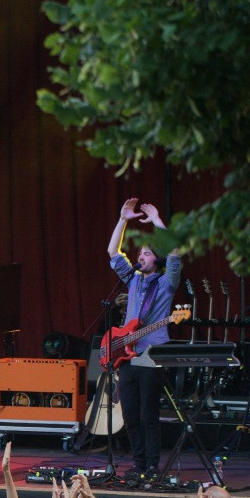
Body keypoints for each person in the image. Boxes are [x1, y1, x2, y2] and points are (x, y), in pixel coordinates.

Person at [107, 198, 181, 479]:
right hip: (126, 354)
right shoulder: (133, 279)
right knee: (130, 415)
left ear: (157, 259)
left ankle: (152, 464)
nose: (140, 256)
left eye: (147, 254)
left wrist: (159, 222)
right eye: (140, 253)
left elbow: (175, 253)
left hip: (152, 354)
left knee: (149, 414)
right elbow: (113, 250)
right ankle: (138, 465)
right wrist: (123, 219)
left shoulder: (166, 282)